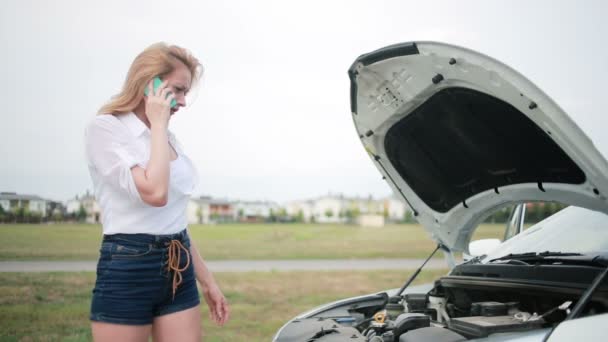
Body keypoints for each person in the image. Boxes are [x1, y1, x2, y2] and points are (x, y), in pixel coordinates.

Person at [85, 42, 230, 341]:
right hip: (129, 268)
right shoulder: (106, 129)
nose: (183, 101)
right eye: (177, 90)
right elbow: (155, 192)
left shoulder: (169, 139)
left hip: (179, 268)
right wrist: (158, 125)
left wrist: (208, 281)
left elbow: (174, 220)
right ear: (149, 83)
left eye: (185, 92)